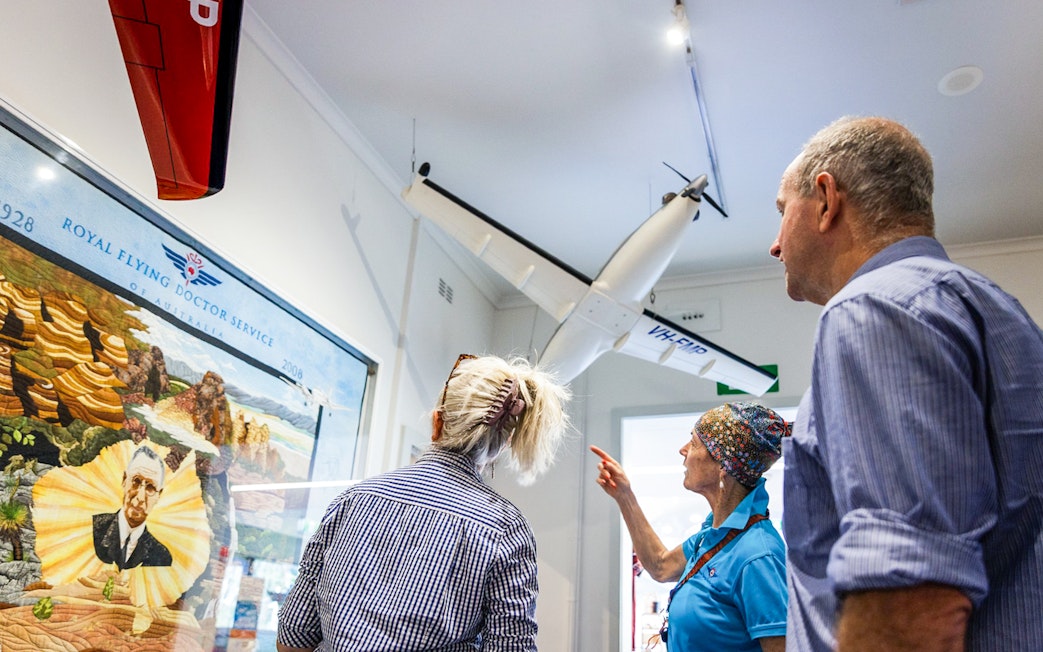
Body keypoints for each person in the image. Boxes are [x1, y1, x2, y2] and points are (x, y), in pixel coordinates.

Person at [770, 116, 1043, 651]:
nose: (776, 245)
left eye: (783, 213)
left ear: (826, 199)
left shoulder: (872, 307)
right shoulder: (999, 311)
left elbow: (910, 590)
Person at [277, 353, 571, 652]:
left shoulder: (352, 500)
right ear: (505, 442)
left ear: (437, 421)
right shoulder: (505, 528)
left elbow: (292, 640)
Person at [591, 401, 789, 652]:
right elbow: (661, 566)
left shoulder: (758, 556)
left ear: (722, 465)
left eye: (694, 443)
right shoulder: (713, 536)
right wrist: (624, 496)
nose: (682, 450)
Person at [92, 444, 173, 569]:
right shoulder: (93, 528)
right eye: (136, 481)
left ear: (159, 495)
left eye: (150, 487)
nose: (140, 497)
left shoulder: (161, 556)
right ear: (124, 480)